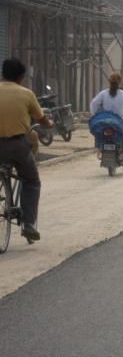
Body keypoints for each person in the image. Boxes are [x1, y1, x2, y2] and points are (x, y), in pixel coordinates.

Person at [0, 58, 54, 241]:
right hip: (17, 146)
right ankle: (29, 224)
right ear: (21, 77)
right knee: (31, 181)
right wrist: (49, 123)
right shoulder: (26, 94)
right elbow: (42, 120)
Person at [90, 72, 123, 151]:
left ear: (109, 82)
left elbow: (93, 103)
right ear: (119, 82)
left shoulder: (103, 94)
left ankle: (101, 150)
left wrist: (95, 114)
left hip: (105, 123)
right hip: (120, 124)